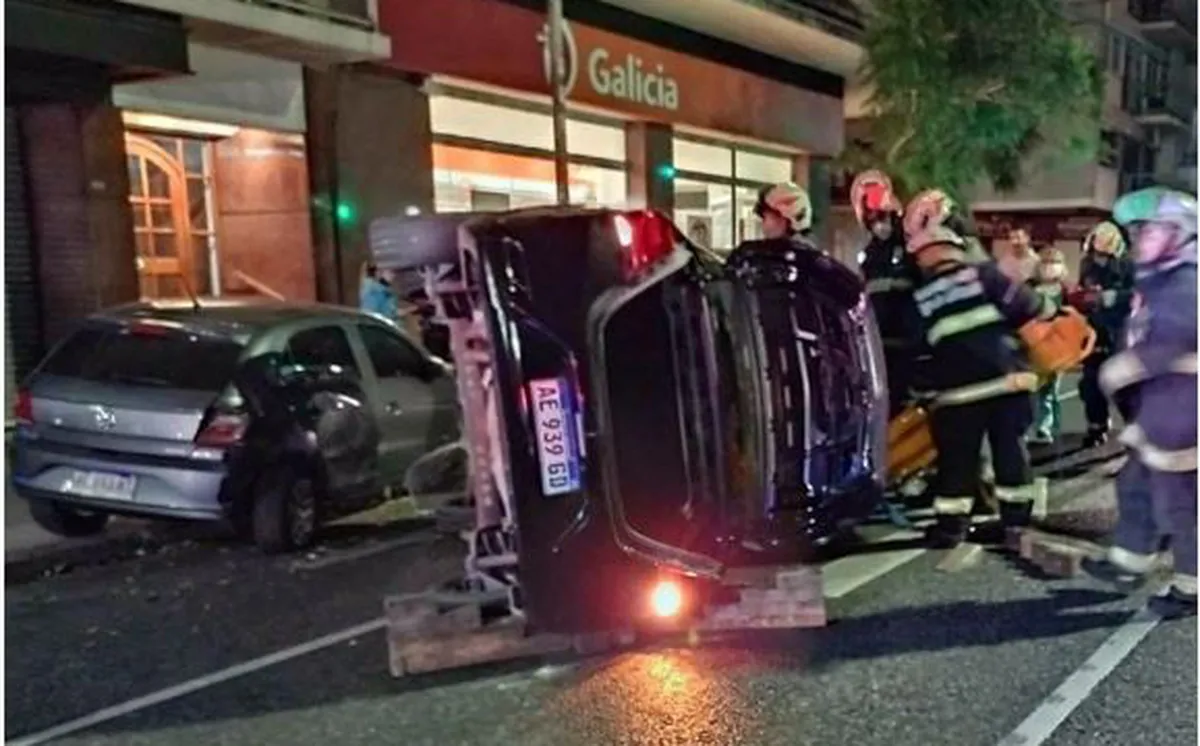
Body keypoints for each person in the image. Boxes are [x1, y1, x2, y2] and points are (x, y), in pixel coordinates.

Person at [903, 189, 1057, 548]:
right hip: (1008, 381)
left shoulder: (918, 299)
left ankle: (951, 527)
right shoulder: (985, 275)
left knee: (957, 463)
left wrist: (923, 390)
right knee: (1010, 456)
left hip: (957, 396)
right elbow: (1032, 306)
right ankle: (1015, 524)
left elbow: (916, 350)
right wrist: (1052, 306)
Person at [1080, 187, 1197, 620]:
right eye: (1136, 230)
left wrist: (1129, 367)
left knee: (1180, 504)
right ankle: (1131, 562)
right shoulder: (1162, 278)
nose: (1138, 238)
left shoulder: (1186, 280)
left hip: (1186, 412)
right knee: (1136, 484)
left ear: (1178, 231)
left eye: (1147, 229)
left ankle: (1191, 584)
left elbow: (1182, 334)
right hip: (1166, 408)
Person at [851, 170, 922, 415]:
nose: (877, 221)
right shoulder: (871, 254)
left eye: (881, 214)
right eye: (871, 216)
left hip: (912, 346)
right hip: (882, 346)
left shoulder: (910, 244)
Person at [1071, 221, 1136, 447]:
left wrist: (1112, 297)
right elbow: (1083, 289)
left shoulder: (1129, 265)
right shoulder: (1087, 264)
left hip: (1122, 328)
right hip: (1095, 328)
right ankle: (1096, 426)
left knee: (1123, 384)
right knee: (1091, 382)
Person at [1027, 247, 1073, 444]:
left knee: (1051, 388)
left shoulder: (1065, 291)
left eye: (1054, 263)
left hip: (1057, 345)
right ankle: (1038, 426)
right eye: (1045, 263)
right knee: (1035, 387)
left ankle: (1049, 427)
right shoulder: (1030, 289)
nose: (1049, 268)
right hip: (1034, 343)